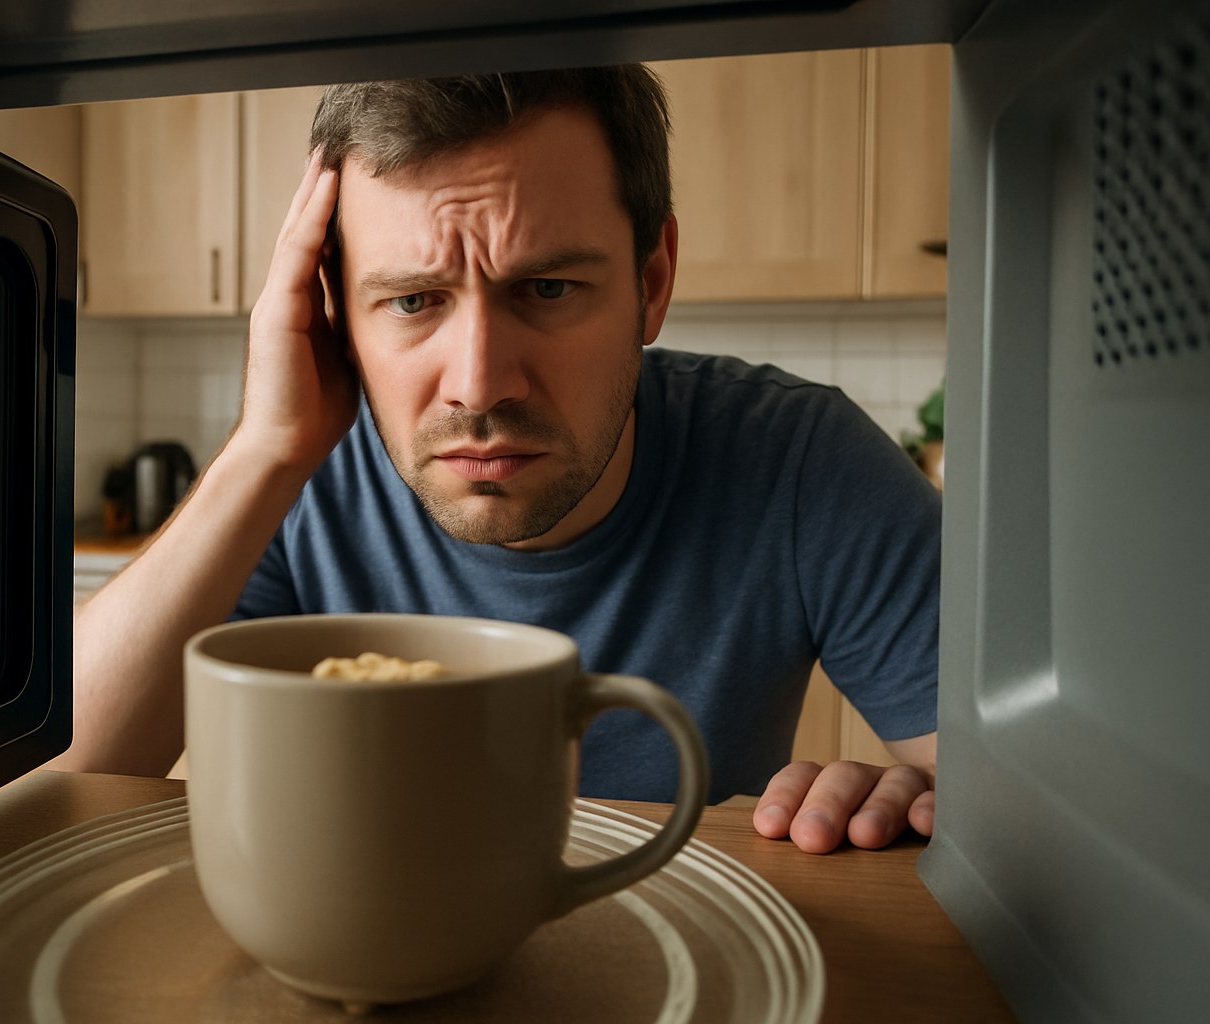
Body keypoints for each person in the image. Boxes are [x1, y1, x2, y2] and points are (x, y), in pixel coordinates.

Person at [56, 66, 941, 855]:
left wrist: (927, 800)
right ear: (336, 314)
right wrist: (261, 454)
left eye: (548, 289)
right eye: (411, 300)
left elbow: (1035, 803)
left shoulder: (797, 460)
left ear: (652, 281)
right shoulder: (298, 477)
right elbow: (61, 784)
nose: (479, 387)